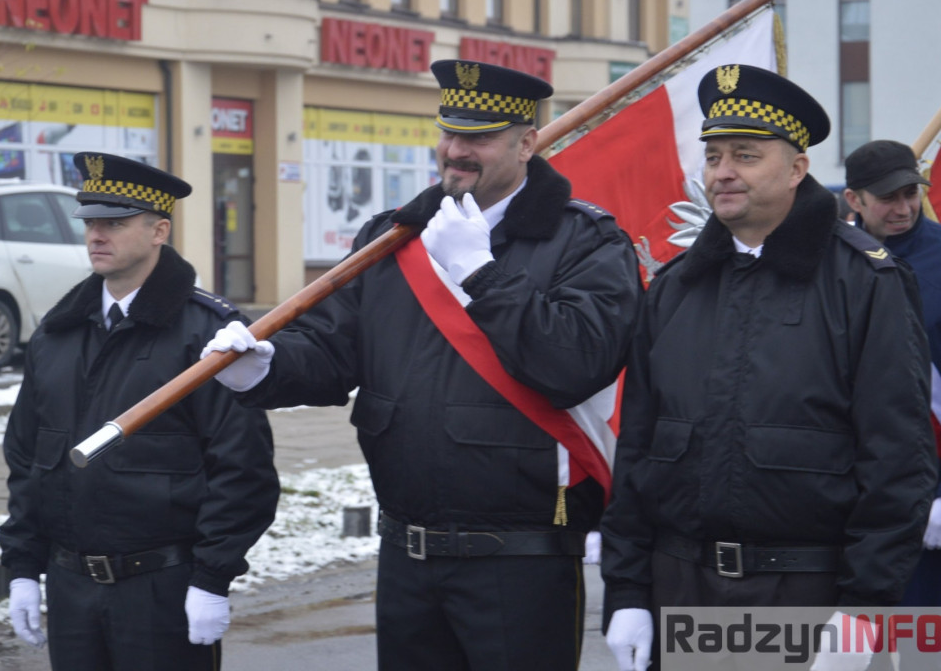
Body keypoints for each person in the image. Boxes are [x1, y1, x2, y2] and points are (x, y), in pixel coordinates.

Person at [201, 59, 643, 671]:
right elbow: (333, 352)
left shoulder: (585, 241)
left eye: (479, 138)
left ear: (526, 143)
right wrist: (264, 367)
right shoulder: (392, 240)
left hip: (522, 558)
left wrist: (482, 276)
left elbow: (575, 361)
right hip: (407, 551)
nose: (456, 153)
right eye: (449, 133)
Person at [600, 65, 937, 671]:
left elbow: (898, 458)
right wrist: (626, 591)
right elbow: (639, 450)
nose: (723, 172)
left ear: (797, 169)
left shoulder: (865, 282)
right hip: (682, 588)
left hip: (807, 593)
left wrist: (866, 608)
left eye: (747, 155)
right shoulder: (676, 288)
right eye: (714, 156)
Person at [0, 153, 279, 671]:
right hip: (70, 587)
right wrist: (20, 567)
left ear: (159, 231)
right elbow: (27, 457)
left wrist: (212, 578)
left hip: (161, 588)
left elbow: (244, 468)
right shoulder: (59, 333)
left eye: (115, 223)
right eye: (91, 223)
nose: (97, 236)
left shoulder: (206, 335)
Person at [844, 140, 941, 662]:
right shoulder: (834, 260)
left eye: (911, 194)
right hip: (861, 491)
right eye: (888, 198)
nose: (904, 208)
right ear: (854, 199)